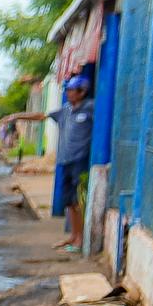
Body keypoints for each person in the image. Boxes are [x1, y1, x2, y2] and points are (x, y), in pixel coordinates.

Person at [53, 70, 96, 245]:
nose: (68, 93)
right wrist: (16, 116)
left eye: (72, 90)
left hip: (80, 161)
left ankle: (81, 238)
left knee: (79, 199)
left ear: (82, 92)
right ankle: (73, 236)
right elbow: (43, 116)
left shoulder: (91, 108)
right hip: (66, 161)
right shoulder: (66, 110)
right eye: (68, 90)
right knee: (69, 201)